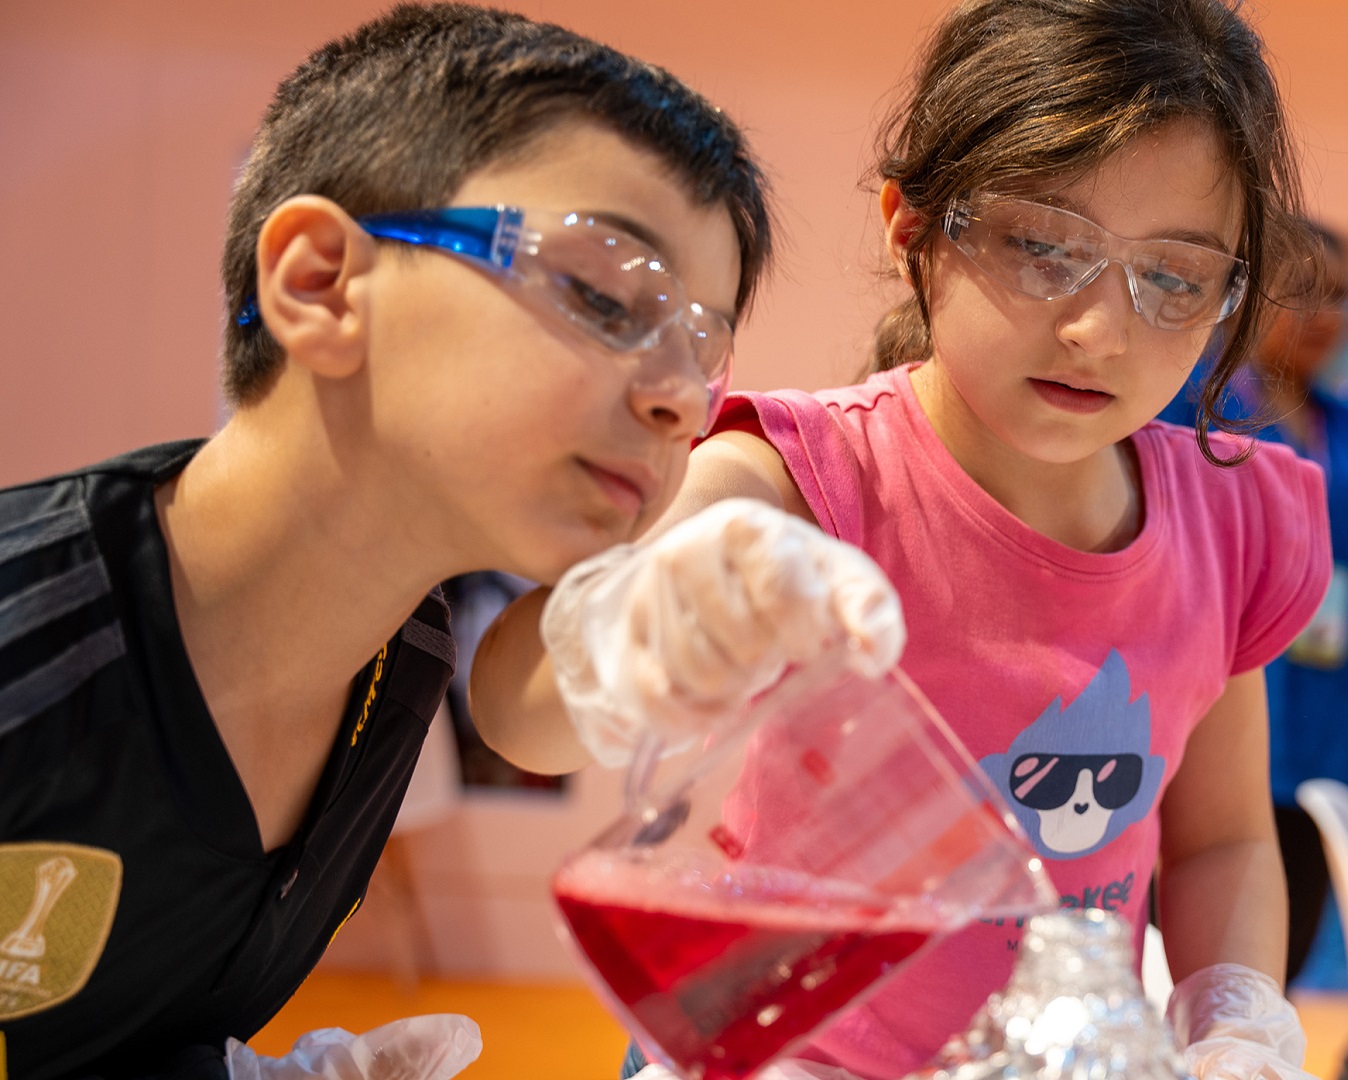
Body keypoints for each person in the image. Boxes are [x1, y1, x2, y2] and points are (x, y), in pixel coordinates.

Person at [474, 1, 1334, 1077]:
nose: (1100, 328)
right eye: (1041, 247)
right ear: (911, 225)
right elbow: (521, 718)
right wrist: (629, 628)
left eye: (1173, 277)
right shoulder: (800, 482)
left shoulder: (1230, 524)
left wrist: (1238, 1018)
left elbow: (1221, 841)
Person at [0, 5, 772, 1076]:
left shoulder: (401, 667)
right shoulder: (27, 633)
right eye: (603, 295)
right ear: (319, 281)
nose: (682, 401)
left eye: (706, 349)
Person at [1159, 225, 1348, 986]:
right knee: (1186, 971)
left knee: (1280, 973)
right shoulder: (1191, 406)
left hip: (1338, 730)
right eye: (1302, 289)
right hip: (1214, 723)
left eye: (1340, 296)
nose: (1324, 313)